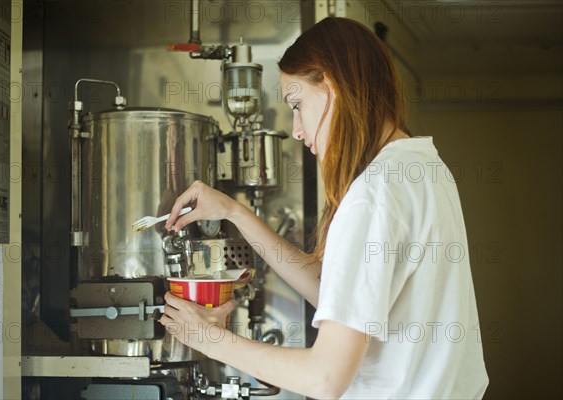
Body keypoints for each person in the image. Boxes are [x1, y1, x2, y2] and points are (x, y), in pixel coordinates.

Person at [160, 17, 489, 399]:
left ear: (331, 86)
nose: (297, 129)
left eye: (297, 105)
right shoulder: (421, 166)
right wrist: (235, 212)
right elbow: (337, 290)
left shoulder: (372, 194)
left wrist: (209, 339)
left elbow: (325, 378)